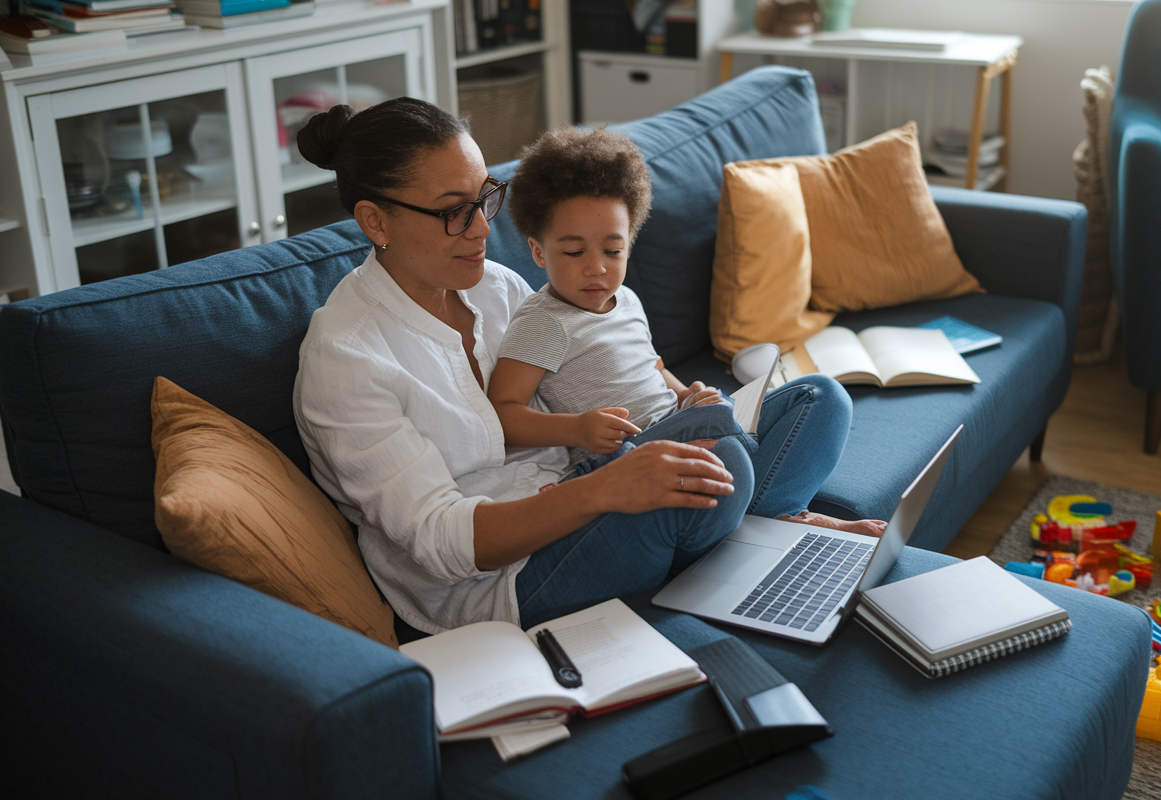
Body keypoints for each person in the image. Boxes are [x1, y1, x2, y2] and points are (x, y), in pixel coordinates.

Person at [291, 98, 882, 635]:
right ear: (375, 221)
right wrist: (605, 489)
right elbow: (441, 543)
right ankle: (768, 532)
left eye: (484, 197)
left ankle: (773, 532)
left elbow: (596, 374)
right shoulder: (347, 357)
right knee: (718, 459)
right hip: (499, 585)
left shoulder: (496, 287)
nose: (481, 228)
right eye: (453, 212)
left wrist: (663, 423)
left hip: (590, 492)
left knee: (807, 402)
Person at [487, 127, 749, 477]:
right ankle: (772, 498)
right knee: (726, 434)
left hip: (682, 426)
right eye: (574, 252)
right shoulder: (543, 322)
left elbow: (651, 366)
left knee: (818, 395)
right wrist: (577, 428)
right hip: (623, 458)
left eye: (613, 251)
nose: (596, 267)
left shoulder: (626, 299)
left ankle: (775, 505)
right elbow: (503, 413)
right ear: (539, 252)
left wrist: (686, 394)